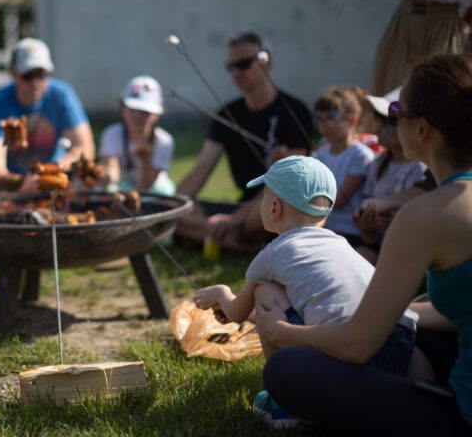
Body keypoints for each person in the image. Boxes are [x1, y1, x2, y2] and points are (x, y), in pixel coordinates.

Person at [256, 54, 472, 435]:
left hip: (462, 418)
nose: (389, 121)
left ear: (420, 129)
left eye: (395, 112)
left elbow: (356, 345)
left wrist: (282, 332)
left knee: (285, 370)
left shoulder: (425, 215)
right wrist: (394, 308)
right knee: (407, 332)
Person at [193, 155, 418, 429]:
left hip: (346, 359)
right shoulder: (341, 244)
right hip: (398, 347)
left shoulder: (271, 254)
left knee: (264, 291)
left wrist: (221, 293)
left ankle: (285, 404)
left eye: (262, 198)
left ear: (274, 207)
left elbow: (237, 312)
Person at [175, 31, 313, 253]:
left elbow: (290, 183)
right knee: (180, 214)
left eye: (244, 64)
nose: (237, 72)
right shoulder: (227, 113)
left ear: (266, 61)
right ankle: (248, 246)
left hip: (277, 204)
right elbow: (201, 169)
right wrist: (173, 206)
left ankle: (224, 238)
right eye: (231, 67)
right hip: (245, 206)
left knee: (263, 214)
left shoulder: (295, 111)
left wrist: (233, 220)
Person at [0, 37, 94, 196]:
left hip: (55, 175)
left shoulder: (62, 95)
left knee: (83, 183)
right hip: (13, 181)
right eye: (28, 75)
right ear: (13, 73)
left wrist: (49, 172)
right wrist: (20, 183)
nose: (35, 82)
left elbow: (84, 148)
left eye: (41, 74)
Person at [353, 92, 426, 263]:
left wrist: (388, 221)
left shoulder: (421, 167)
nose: (378, 129)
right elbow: (368, 236)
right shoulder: (377, 163)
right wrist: (366, 227)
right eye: (379, 120)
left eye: (390, 121)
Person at [312, 86, 376, 245]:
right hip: (322, 229)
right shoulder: (319, 154)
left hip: (350, 233)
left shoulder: (361, 155)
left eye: (331, 117)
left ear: (352, 121)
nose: (324, 124)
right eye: (319, 118)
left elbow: (339, 200)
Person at [98, 75, 175, 195]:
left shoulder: (164, 141)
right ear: (122, 108)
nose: (138, 116)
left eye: (145, 112)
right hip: (121, 187)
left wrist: (144, 160)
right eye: (133, 110)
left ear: (156, 115)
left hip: (155, 190)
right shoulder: (111, 134)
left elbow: (145, 185)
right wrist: (101, 175)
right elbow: (112, 170)